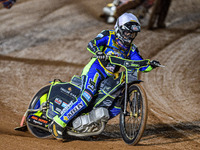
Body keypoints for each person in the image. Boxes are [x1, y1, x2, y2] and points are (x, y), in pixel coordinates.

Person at [49, 13, 160, 140]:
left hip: (110, 77)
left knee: (117, 105)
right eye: (127, 33)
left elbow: (141, 65)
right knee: (87, 96)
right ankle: (58, 122)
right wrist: (98, 52)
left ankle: (93, 125)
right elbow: (92, 44)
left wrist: (151, 64)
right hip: (95, 69)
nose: (130, 37)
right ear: (119, 29)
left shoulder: (131, 49)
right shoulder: (108, 35)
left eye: (133, 34)